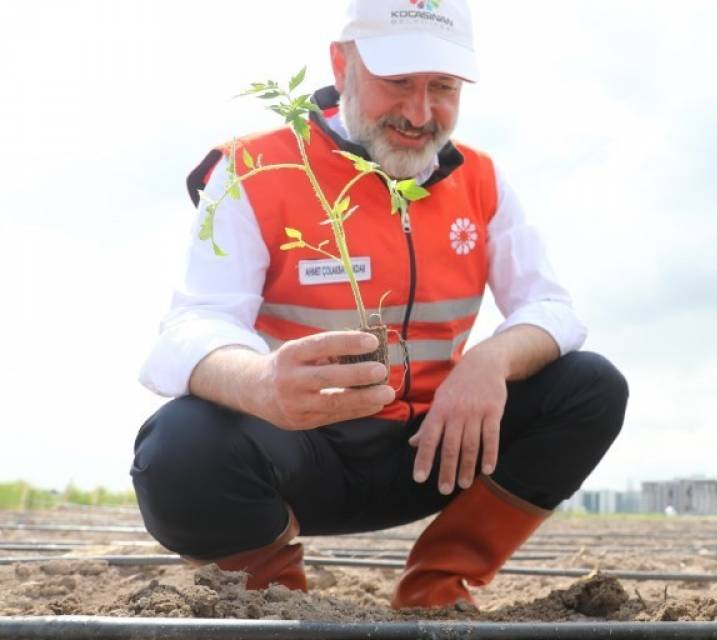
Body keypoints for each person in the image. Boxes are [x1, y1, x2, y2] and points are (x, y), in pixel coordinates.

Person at [131, 0, 627, 610]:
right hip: (297, 453)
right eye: (398, 82)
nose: (420, 113)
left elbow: (551, 307)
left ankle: (438, 586)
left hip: (434, 451)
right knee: (178, 446)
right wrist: (259, 383)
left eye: (442, 87)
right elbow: (193, 322)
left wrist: (491, 360)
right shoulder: (253, 168)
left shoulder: (482, 179)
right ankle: (274, 602)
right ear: (342, 66)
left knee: (590, 387)